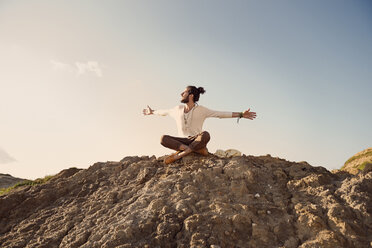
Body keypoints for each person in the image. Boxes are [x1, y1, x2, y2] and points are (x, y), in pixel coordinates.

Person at [143, 86, 257, 164]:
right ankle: (196, 150)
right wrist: (152, 112)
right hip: (181, 141)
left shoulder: (201, 110)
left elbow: (220, 114)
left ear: (191, 95)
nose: (181, 94)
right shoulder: (177, 109)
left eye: (184, 92)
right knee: (163, 138)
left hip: (195, 139)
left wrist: (241, 114)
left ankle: (179, 155)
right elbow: (163, 112)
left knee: (205, 134)